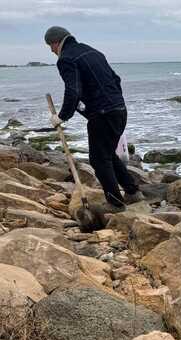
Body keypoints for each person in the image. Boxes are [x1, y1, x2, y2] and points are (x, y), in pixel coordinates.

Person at [45, 26, 143, 212]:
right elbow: (116, 79)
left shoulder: (66, 59)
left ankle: (115, 204)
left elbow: (73, 90)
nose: (51, 50)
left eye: (50, 45)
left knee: (98, 160)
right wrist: (110, 103)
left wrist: (62, 116)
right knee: (107, 155)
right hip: (119, 110)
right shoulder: (93, 52)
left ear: (57, 42)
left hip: (103, 114)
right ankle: (133, 192)